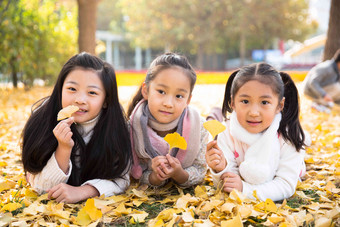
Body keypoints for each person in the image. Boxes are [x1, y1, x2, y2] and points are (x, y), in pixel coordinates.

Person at [21, 52, 132, 203]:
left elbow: (122, 178)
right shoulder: (42, 120)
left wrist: (83, 191)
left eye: (92, 92)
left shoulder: (115, 127)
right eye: (72, 89)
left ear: (106, 100)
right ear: (60, 89)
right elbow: (41, 188)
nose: (79, 100)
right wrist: (64, 148)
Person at [206, 62, 308, 202]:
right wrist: (220, 169)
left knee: (298, 157)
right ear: (232, 103)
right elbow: (228, 184)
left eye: (264, 102)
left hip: (288, 165)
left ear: (280, 105)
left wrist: (245, 189)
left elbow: (285, 185)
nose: (254, 112)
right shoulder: (227, 132)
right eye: (245, 101)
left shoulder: (287, 137)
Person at [127, 52, 208, 187]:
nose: (168, 103)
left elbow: (200, 170)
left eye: (179, 96)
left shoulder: (199, 128)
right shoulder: (133, 129)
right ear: (146, 91)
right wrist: (154, 177)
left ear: (188, 100)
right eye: (161, 92)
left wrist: (179, 174)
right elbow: (136, 173)